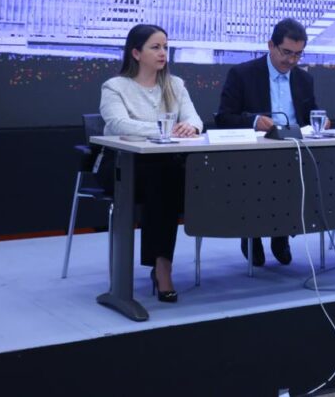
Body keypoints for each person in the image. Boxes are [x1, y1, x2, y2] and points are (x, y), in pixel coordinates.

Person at [100, 24, 203, 303]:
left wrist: (190, 128)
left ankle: (161, 266)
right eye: (155, 47)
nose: (163, 53)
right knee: (165, 178)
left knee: (168, 176)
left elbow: (195, 119)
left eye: (165, 47)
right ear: (136, 53)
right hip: (121, 166)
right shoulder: (115, 86)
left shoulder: (175, 85)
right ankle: (162, 268)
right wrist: (167, 130)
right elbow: (118, 124)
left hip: (164, 167)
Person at [215, 18, 319, 267]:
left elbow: (310, 115)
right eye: (286, 52)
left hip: (293, 151)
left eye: (298, 54)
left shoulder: (304, 79)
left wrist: (320, 122)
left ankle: (281, 234)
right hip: (254, 154)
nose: (291, 60)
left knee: (304, 174)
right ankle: (252, 235)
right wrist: (253, 121)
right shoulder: (242, 74)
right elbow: (223, 117)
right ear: (271, 45)